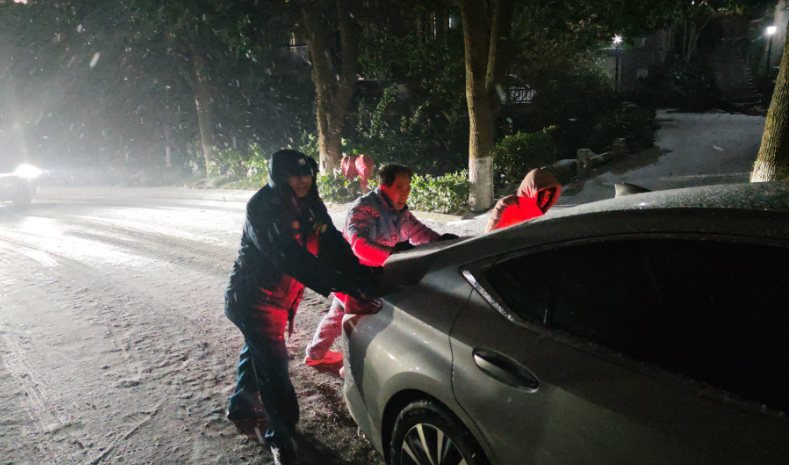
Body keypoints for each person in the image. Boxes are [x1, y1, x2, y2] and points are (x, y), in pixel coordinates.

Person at [224, 150, 378, 465]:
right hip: (253, 300)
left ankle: (241, 403)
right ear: (279, 178)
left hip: (277, 299)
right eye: (295, 175)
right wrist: (341, 283)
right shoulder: (261, 208)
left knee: (258, 351)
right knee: (274, 368)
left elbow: (331, 241)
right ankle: (281, 438)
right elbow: (291, 257)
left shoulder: (309, 203)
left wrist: (359, 273)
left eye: (307, 173)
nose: (303, 180)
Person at [304, 164, 457, 369]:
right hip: (357, 275)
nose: (406, 193)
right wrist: (393, 255)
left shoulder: (399, 210)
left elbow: (417, 231)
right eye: (400, 188)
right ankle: (352, 369)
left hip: (373, 274)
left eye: (408, 187)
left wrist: (440, 241)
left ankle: (315, 353)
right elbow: (359, 245)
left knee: (338, 314)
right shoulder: (364, 209)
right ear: (384, 187)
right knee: (362, 324)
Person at [485, 168, 561, 233]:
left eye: (548, 195)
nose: (545, 199)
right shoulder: (506, 205)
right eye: (542, 194)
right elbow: (491, 237)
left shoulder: (538, 214)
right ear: (532, 191)